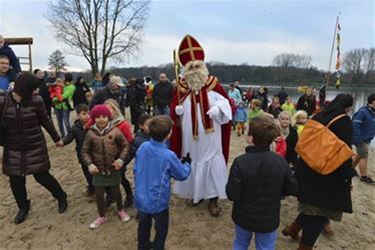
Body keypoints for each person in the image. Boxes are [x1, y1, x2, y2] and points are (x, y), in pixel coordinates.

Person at [283, 94, 357, 250]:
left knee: (311, 206)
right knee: (321, 213)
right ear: (348, 107)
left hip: (307, 166)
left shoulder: (319, 115)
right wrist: (347, 178)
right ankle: (305, 247)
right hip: (328, 172)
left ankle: (293, 229)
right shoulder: (344, 121)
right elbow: (345, 152)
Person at [170, 34, 232, 217]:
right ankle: (196, 195)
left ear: (203, 66)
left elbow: (227, 104)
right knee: (192, 159)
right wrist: (177, 111)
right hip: (190, 135)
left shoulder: (213, 84)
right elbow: (174, 112)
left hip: (212, 134)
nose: (195, 70)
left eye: (198, 66)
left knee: (212, 161)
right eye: (191, 67)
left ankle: (212, 198)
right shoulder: (181, 88)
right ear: (185, 70)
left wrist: (218, 110)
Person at [0, 73, 67, 224]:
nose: (36, 92)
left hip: (35, 144)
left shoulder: (36, 101)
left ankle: (61, 196)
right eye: (33, 90)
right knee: (16, 180)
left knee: (42, 176)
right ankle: (23, 207)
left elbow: (46, 120)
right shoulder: (3, 101)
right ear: (24, 89)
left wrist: (56, 138)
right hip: (13, 146)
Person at [226, 115, 298, 250]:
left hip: (243, 216)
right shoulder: (280, 161)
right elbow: (292, 188)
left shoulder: (240, 162)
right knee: (266, 247)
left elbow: (232, 194)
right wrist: (278, 193)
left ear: (250, 138)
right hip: (269, 218)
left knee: (240, 244)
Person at [135, 115, 191, 250]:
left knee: (143, 226)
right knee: (161, 229)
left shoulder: (143, 147)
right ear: (169, 134)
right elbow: (182, 174)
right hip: (158, 202)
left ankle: (143, 246)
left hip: (141, 197)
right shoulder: (168, 155)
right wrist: (187, 164)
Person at [81, 104, 131, 229]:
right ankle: (101, 215)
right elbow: (85, 151)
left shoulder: (115, 131)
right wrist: (90, 164)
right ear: (93, 118)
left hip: (113, 167)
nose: (101, 119)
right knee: (98, 193)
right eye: (98, 117)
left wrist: (120, 160)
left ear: (108, 117)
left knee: (116, 190)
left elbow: (125, 145)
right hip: (97, 169)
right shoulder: (90, 133)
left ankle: (120, 210)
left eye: (104, 116)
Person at [104, 98, 134, 207]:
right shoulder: (104, 123)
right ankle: (111, 195)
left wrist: (122, 157)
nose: (107, 112)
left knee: (120, 176)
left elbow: (130, 140)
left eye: (110, 109)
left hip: (121, 155)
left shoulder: (123, 124)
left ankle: (129, 195)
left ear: (115, 109)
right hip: (108, 155)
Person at [61, 104, 94, 196]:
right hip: (82, 156)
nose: (87, 116)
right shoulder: (75, 128)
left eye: (88, 113)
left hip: (94, 154)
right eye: (84, 114)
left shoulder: (93, 126)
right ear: (78, 115)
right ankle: (91, 188)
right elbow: (69, 137)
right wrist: (62, 142)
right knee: (87, 174)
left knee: (95, 174)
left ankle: (98, 189)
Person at [352, 93, 375, 184]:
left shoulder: (372, 112)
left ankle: (351, 169)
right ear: (373, 101)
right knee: (364, 156)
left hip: (368, 138)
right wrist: (358, 139)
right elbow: (355, 125)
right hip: (361, 139)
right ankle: (364, 176)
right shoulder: (362, 112)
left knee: (359, 155)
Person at [53, 73, 76, 137]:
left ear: (67, 78)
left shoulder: (71, 86)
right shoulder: (62, 85)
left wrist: (54, 99)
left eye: (63, 77)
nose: (62, 79)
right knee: (59, 122)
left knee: (66, 121)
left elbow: (64, 96)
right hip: (58, 106)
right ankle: (63, 135)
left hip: (65, 106)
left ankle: (70, 133)